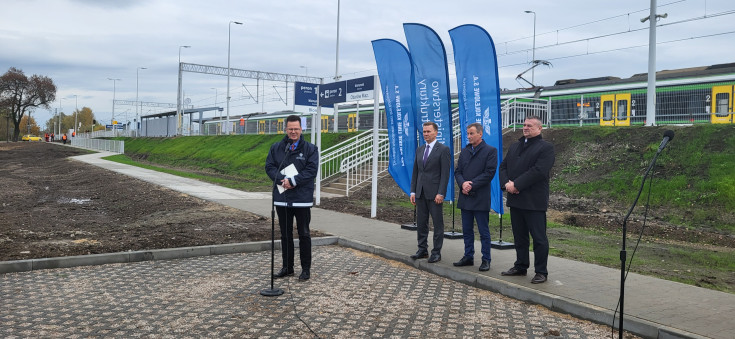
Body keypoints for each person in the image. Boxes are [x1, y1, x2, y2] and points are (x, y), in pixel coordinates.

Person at [499, 116, 555, 284]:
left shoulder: (546, 148)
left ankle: (541, 271)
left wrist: (517, 184)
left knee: (539, 238)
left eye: (529, 125)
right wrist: (506, 184)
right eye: (524, 125)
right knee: (520, 236)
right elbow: (503, 167)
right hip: (516, 200)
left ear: (539, 128)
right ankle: (521, 266)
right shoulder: (515, 146)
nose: (525, 128)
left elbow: (539, 171)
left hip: (534, 201)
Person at [265, 115, 319, 281]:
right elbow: (269, 166)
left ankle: (305, 269)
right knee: (285, 234)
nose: (293, 132)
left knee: (303, 233)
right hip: (283, 198)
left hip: (301, 199)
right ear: (286, 130)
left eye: (296, 129)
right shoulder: (277, 147)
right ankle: (287, 268)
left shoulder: (311, 149)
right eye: (290, 129)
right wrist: (282, 179)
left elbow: (311, 170)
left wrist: (294, 181)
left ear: (301, 129)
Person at [453, 123, 497, 272]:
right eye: (468, 134)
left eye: (472, 133)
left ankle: (486, 259)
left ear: (480, 134)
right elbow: (458, 171)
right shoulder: (465, 151)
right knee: (467, 229)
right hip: (465, 197)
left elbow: (489, 173)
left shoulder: (490, 151)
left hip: (480, 197)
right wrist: (463, 183)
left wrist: (472, 185)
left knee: (483, 231)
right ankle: (468, 256)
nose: (469, 136)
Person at [409, 121, 451, 263]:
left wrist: (441, 193)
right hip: (420, 192)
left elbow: (445, 174)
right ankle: (422, 250)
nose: (426, 134)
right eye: (424, 131)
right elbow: (416, 172)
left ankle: (436, 252)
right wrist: (412, 191)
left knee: (437, 224)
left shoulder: (443, 150)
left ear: (436, 132)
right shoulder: (420, 149)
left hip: (435, 195)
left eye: (428, 131)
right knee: (421, 223)